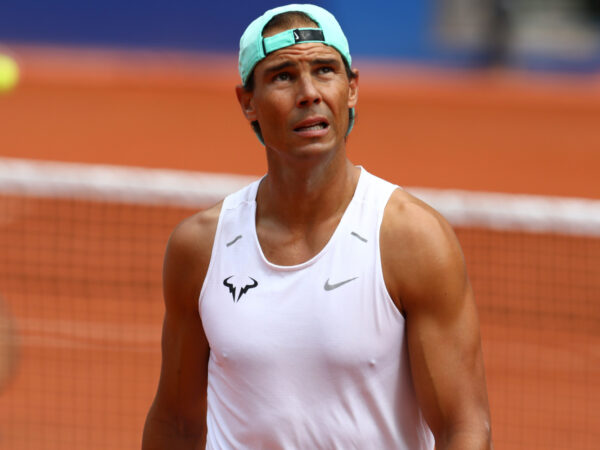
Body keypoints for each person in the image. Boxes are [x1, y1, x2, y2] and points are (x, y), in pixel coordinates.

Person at [142, 4, 492, 449]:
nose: (308, 92)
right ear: (247, 101)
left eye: (324, 70)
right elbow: (175, 424)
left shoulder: (411, 240)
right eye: (283, 76)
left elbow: (463, 425)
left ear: (352, 90)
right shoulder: (200, 247)